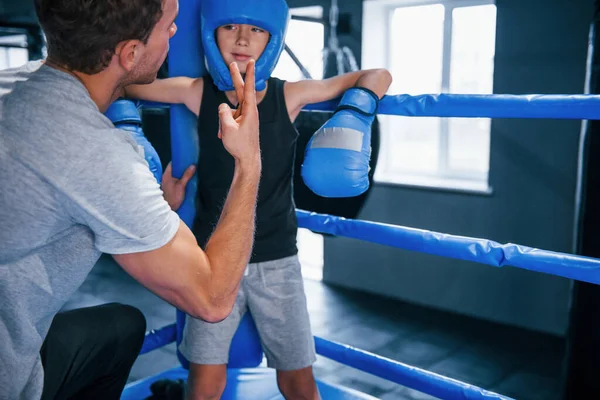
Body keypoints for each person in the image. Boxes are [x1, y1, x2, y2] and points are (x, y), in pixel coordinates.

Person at [124, 0, 392, 398]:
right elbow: (122, 83)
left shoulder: (290, 96)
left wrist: (356, 110)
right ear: (211, 32)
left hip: (277, 260)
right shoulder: (199, 93)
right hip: (210, 263)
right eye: (231, 26)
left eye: (257, 30)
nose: (244, 39)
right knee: (205, 384)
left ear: (274, 37)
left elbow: (377, 75)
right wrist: (123, 120)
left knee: (298, 381)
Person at [0, 0, 262, 398]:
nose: (176, 33)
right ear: (131, 53)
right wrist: (249, 161)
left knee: (119, 328)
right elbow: (211, 300)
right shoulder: (92, 151)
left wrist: (155, 207)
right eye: (169, 26)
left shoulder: (11, 81)